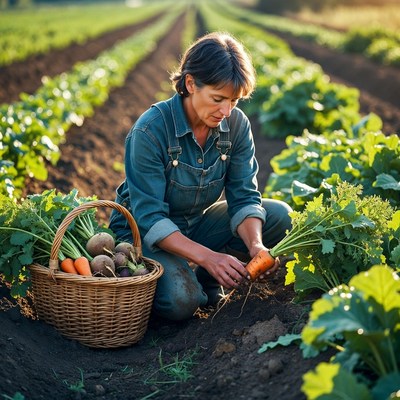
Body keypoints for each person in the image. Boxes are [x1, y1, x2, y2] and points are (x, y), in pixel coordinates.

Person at [109, 31, 292, 321]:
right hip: (142, 235)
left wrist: (255, 246)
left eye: (234, 100)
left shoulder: (235, 125)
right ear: (191, 83)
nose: (226, 110)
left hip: (194, 223)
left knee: (279, 215)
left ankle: (209, 278)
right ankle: (181, 280)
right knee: (182, 300)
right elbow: (150, 218)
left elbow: (244, 195)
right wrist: (208, 256)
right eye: (218, 98)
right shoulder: (150, 131)